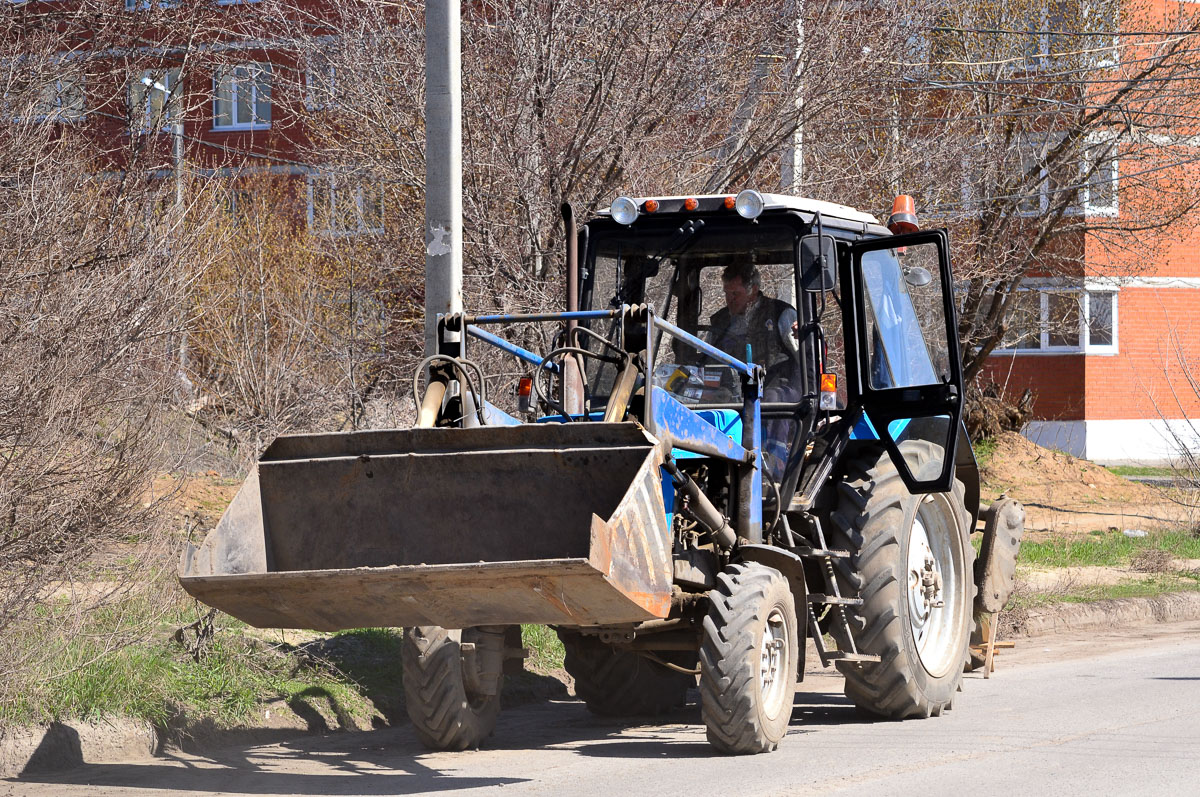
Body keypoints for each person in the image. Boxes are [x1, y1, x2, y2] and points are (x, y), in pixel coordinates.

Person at [708, 262, 800, 480]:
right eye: (727, 293)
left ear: (754, 290)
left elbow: (805, 359)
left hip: (781, 386)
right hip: (733, 388)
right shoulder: (720, 321)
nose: (730, 299)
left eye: (736, 293)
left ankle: (773, 467)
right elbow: (706, 358)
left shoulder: (781, 315)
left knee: (772, 399)